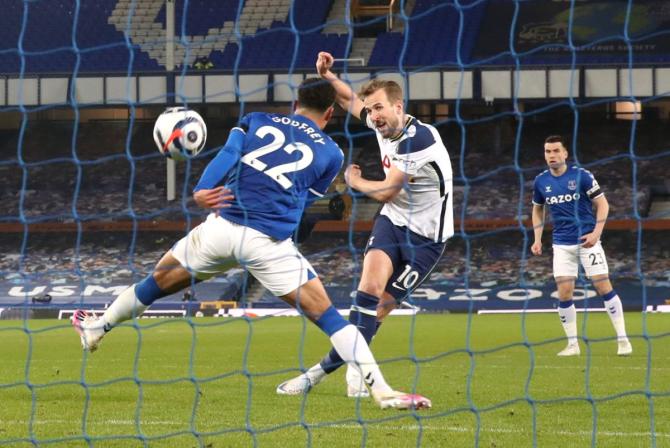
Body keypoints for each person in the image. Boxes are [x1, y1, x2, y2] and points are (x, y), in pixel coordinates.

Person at [71, 78, 431, 411]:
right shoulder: (333, 154)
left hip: (221, 229)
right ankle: (381, 391)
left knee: (153, 284)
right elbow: (303, 200)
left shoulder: (255, 119)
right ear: (330, 113)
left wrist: (200, 190)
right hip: (268, 246)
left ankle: (98, 327)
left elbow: (227, 155)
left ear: (294, 103)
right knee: (334, 320)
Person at [276, 52, 453, 398]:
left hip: (428, 239)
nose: (373, 116)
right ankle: (345, 377)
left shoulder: (419, 139)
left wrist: (354, 182)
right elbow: (346, 98)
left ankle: (317, 373)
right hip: (394, 222)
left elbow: (387, 191)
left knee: (381, 308)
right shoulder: (379, 122)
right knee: (367, 291)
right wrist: (327, 75)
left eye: (379, 109)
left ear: (398, 106)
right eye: (370, 110)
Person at [531, 135, 632, 357]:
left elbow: (603, 204)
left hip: (587, 242)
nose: (552, 155)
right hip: (561, 244)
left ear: (565, 153)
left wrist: (596, 233)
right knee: (564, 293)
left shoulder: (582, 176)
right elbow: (538, 209)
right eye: (548, 152)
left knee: (603, 287)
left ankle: (623, 340)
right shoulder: (541, 181)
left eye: (556, 151)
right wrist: (537, 238)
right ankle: (572, 345)